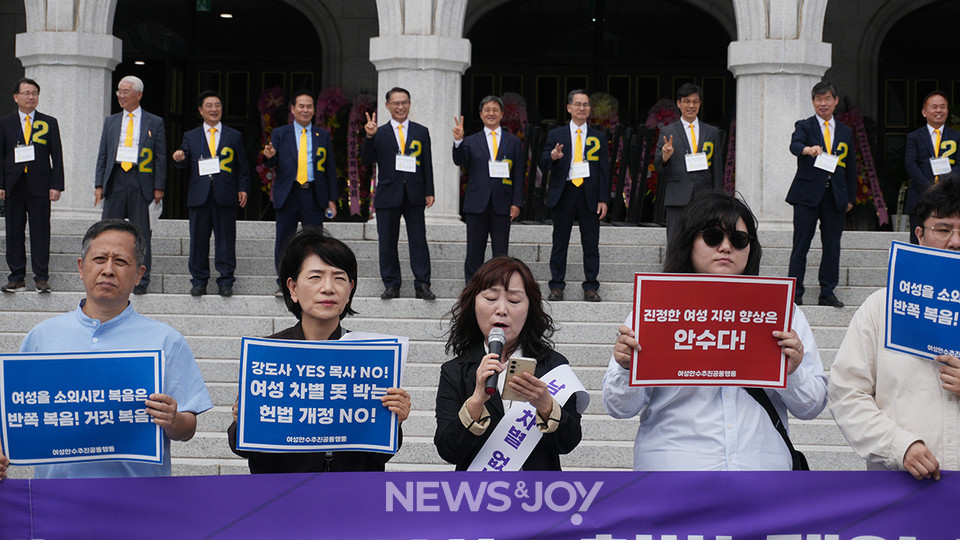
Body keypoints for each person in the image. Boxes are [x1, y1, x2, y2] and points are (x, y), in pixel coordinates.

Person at [603, 190, 827, 470]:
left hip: (760, 471)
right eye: (713, 236)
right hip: (674, 471)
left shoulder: (783, 312)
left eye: (738, 239)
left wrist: (792, 373)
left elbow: (812, 406)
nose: (726, 247)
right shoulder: (656, 308)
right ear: (689, 241)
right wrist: (626, 368)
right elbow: (619, 407)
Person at [0, 219, 212, 480]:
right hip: (55, 496)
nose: (108, 270)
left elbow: (188, 427)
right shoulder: (42, 336)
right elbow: (15, 412)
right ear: (81, 267)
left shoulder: (167, 341)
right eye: (99, 259)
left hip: (136, 497)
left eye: (120, 261)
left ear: (139, 274)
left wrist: (174, 420)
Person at [227, 227, 411, 473]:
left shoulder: (371, 357)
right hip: (282, 491)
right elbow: (244, 448)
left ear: (350, 290)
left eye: (339, 278)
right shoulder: (268, 356)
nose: (328, 288)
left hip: (351, 490)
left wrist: (393, 421)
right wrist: (243, 421)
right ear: (293, 288)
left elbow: (379, 456)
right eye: (315, 277)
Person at [828, 176, 960, 481]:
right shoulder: (881, 308)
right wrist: (898, 446)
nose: (955, 242)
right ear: (919, 235)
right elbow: (846, 391)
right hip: (902, 486)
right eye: (943, 229)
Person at [435, 256, 583, 470]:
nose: (502, 310)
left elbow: (568, 443)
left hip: (538, 490)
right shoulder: (455, 371)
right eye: (490, 298)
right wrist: (476, 401)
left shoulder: (553, 366)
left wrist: (546, 406)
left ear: (530, 307)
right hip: (478, 489)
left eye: (514, 301)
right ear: (473, 303)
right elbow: (448, 450)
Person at [786, 81, 857, 308]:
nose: (823, 103)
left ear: (835, 101)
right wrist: (807, 150)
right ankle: (795, 292)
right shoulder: (804, 126)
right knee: (801, 244)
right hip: (807, 195)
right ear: (813, 102)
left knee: (832, 246)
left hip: (835, 195)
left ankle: (827, 292)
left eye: (827, 99)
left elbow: (851, 166)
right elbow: (795, 145)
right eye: (818, 99)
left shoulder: (845, 131)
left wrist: (850, 197)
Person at [172, 91, 250, 297]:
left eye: (217, 105)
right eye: (209, 105)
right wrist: (179, 158)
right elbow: (183, 160)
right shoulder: (191, 136)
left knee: (226, 239)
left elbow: (242, 166)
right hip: (200, 195)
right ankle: (199, 281)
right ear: (200, 110)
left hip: (225, 193)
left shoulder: (234, 135)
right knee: (198, 240)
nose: (214, 109)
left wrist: (243, 188)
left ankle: (226, 280)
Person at [361, 87, 436, 301]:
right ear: (387, 106)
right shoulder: (379, 132)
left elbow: (426, 163)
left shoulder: (421, 132)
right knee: (387, 242)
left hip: (414, 193)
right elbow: (366, 160)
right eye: (396, 103)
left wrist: (429, 190)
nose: (400, 107)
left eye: (404, 102)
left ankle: (422, 284)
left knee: (418, 240)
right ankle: (391, 284)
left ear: (409, 104)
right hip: (388, 193)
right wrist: (369, 137)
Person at [94, 75, 166, 295]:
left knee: (140, 233)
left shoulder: (154, 122)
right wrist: (99, 184)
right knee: (108, 230)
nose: (121, 96)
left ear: (139, 95)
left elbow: (160, 156)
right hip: (116, 178)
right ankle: (105, 275)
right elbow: (103, 154)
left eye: (126, 92)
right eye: (119, 91)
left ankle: (141, 280)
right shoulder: (111, 121)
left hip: (140, 179)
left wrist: (159, 186)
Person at [262, 90, 339, 297]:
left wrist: (331, 199)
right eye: (301, 106)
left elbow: (330, 169)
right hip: (288, 194)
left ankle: (315, 281)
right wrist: (269, 156)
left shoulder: (322, 135)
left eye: (309, 106)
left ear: (314, 110)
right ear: (293, 109)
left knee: (314, 241)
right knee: (285, 241)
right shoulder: (281, 133)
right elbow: (272, 162)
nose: (305, 110)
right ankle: (284, 283)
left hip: (313, 194)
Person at [538, 89, 609, 302]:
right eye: (577, 104)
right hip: (565, 192)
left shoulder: (598, 136)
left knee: (591, 242)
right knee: (560, 241)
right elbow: (543, 162)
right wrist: (553, 156)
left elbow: (604, 170)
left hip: (589, 194)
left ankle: (591, 286)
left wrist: (603, 199)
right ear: (569, 107)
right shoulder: (556, 135)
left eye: (585, 104)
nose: (582, 108)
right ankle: (556, 285)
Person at [0, 78, 63, 294]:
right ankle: (16, 277)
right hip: (14, 184)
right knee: (14, 231)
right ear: (16, 97)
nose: (31, 97)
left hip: (41, 185)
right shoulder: (5, 123)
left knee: (41, 231)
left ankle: (41, 277)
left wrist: (56, 185)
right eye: (26, 93)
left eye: (34, 93)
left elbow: (57, 156)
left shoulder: (48, 122)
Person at [452, 96, 524, 283]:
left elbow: (518, 174)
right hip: (477, 203)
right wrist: (458, 141)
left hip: (503, 203)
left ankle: (499, 285)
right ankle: (472, 288)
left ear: (501, 114)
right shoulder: (471, 141)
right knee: (474, 251)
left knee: (501, 252)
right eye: (487, 110)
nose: (491, 113)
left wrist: (516, 202)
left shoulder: (513, 142)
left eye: (495, 110)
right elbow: (460, 161)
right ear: (481, 114)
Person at [654, 83, 724, 241]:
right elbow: (658, 165)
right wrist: (666, 156)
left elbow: (717, 168)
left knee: (702, 241)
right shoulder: (668, 131)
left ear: (700, 104)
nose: (691, 106)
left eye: (695, 101)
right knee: (676, 241)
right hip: (677, 195)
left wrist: (718, 198)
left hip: (704, 196)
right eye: (686, 101)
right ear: (679, 103)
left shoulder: (712, 132)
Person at [904, 90, 960, 244]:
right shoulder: (914, 137)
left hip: (950, 197)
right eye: (934, 107)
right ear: (924, 112)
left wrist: (944, 185)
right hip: (920, 196)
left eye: (942, 107)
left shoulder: (956, 136)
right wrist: (929, 187)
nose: (939, 110)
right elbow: (911, 164)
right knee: (918, 242)